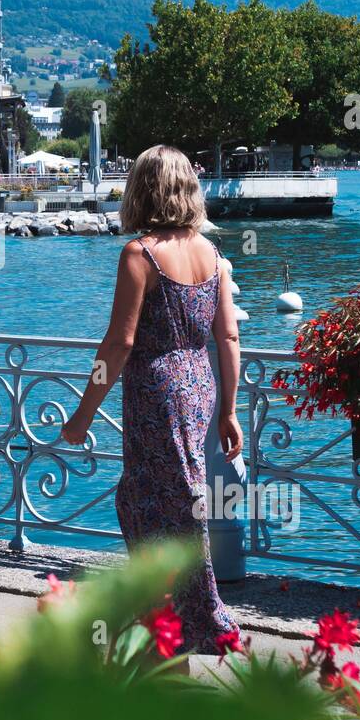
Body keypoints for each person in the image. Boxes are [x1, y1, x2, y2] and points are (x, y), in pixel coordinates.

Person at [61, 145, 242, 655]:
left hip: (158, 387)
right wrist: (228, 410)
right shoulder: (213, 255)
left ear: (142, 190)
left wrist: (83, 413)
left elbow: (119, 343)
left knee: (148, 501)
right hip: (199, 383)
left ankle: (181, 619)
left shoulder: (140, 255)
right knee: (176, 495)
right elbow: (227, 338)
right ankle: (176, 619)